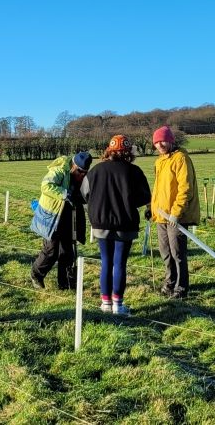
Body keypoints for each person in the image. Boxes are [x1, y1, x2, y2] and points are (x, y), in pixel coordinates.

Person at [85, 135, 151, 315]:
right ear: (128, 152)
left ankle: (106, 304)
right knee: (119, 263)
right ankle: (118, 305)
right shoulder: (135, 171)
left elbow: (85, 194)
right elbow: (145, 197)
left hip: (100, 222)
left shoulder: (95, 170)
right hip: (125, 223)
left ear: (109, 150)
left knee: (106, 261)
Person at [149, 126, 200, 299]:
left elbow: (185, 188)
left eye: (163, 141)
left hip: (175, 217)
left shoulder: (180, 158)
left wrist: (176, 212)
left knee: (177, 253)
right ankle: (169, 283)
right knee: (165, 252)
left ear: (171, 140)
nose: (160, 144)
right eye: (156, 142)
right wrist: (152, 208)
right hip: (161, 216)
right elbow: (158, 190)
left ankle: (181, 287)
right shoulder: (159, 161)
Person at [30, 151, 91, 290]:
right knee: (50, 251)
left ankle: (66, 284)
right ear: (74, 166)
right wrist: (65, 194)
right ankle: (36, 275)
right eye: (80, 172)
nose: (82, 175)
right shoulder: (59, 170)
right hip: (52, 217)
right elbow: (46, 186)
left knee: (67, 252)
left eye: (85, 173)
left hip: (69, 217)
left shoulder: (82, 177)